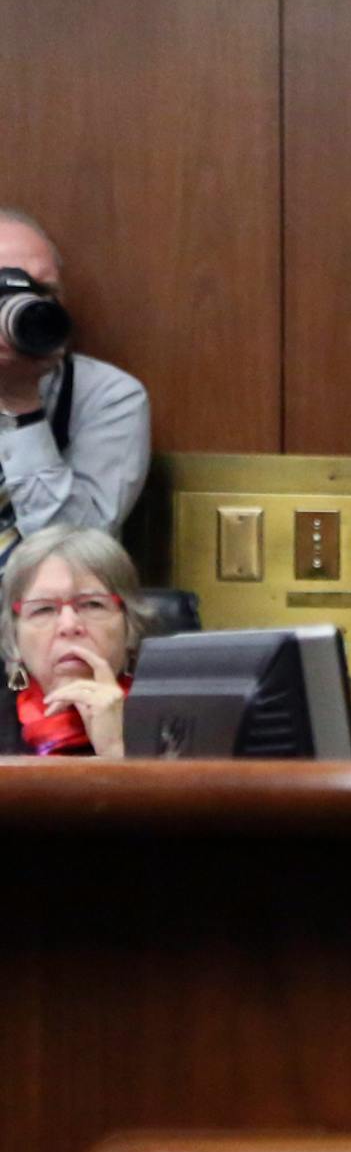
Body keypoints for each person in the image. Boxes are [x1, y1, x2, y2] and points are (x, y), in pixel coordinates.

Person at [0, 208, 152, 567]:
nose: (24, 305)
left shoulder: (109, 397)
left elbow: (75, 556)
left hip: (51, 617)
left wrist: (21, 402)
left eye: (43, 291)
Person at [0, 525, 152, 757]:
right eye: (43, 609)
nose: (69, 626)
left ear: (129, 626)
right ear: (13, 635)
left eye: (92, 604)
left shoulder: (176, 724)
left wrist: (117, 751)